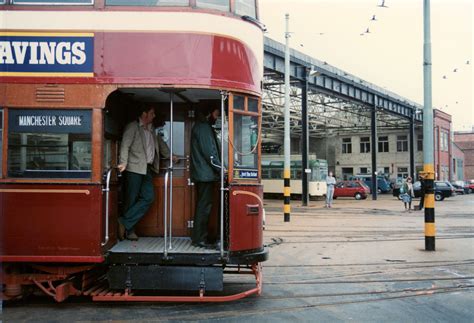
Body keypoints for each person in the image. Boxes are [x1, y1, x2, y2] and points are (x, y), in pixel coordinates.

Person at [117, 104, 174, 241]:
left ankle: (123, 222)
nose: (154, 116)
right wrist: (123, 162)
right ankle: (129, 231)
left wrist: (171, 156)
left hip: (147, 168)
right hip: (133, 168)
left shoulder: (152, 129)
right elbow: (125, 145)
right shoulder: (133, 127)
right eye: (152, 113)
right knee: (131, 200)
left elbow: (160, 145)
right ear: (144, 114)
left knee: (148, 197)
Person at [190, 107, 221, 249]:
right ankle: (199, 238)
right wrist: (220, 169)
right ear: (209, 112)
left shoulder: (203, 126)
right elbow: (210, 153)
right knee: (204, 206)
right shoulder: (203, 128)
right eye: (216, 113)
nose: (217, 116)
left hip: (204, 174)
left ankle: (200, 237)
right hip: (205, 174)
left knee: (204, 205)